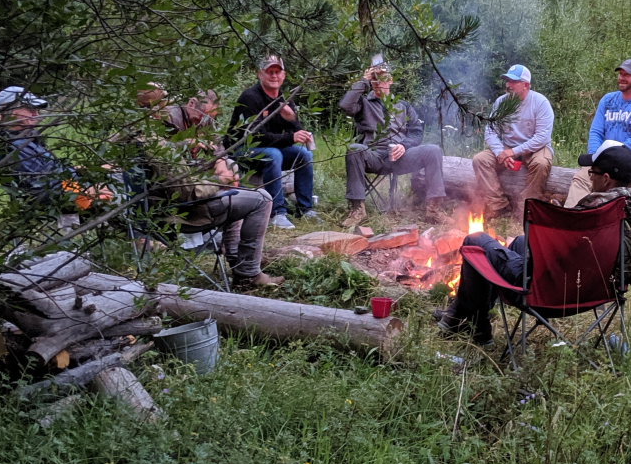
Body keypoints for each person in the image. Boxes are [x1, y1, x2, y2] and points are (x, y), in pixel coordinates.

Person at [438, 143, 631, 345]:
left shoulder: (590, 215)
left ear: (607, 179)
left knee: (475, 241)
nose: (590, 178)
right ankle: (458, 313)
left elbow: (557, 256)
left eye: (593, 173)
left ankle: (478, 327)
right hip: (601, 292)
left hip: (545, 294)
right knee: (521, 243)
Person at [142, 91, 282, 288]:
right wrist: (218, 180)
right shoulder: (164, 131)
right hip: (182, 209)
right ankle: (248, 273)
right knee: (262, 199)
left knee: (236, 187)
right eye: (201, 116)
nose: (203, 122)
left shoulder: (198, 123)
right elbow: (185, 190)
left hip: (186, 197)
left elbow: (217, 148)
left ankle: (239, 261)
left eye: (209, 118)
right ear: (191, 102)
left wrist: (221, 163)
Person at [339, 62, 448, 229]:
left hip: (401, 156)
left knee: (433, 150)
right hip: (373, 156)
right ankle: (357, 210)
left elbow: (417, 132)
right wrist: (363, 81)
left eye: (381, 77)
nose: (377, 81)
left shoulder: (402, 106)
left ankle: (434, 210)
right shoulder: (362, 103)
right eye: (373, 78)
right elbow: (345, 106)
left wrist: (404, 145)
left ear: (390, 80)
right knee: (354, 150)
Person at [0, 86, 113, 224]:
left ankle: (132, 237)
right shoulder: (14, 146)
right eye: (30, 109)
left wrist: (84, 170)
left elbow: (50, 172)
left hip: (69, 192)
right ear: (9, 110)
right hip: (63, 202)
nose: (36, 115)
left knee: (117, 172)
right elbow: (42, 189)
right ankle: (136, 239)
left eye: (36, 110)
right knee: (123, 185)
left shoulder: (23, 139)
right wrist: (85, 190)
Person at [223, 53, 316, 230]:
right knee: (273, 155)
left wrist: (292, 119)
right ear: (260, 74)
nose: (273, 76)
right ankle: (277, 213)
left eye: (277, 72)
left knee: (303, 154)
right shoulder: (250, 97)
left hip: (270, 149)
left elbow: (295, 131)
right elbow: (255, 137)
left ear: (283, 76)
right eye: (269, 72)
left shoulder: (284, 99)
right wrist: (290, 137)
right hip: (242, 150)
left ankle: (305, 209)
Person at [564, 59, 631, 207]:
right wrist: (595, 156)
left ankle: (596, 223)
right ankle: (572, 219)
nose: (621, 78)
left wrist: (605, 158)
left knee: (608, 190)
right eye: (620, 74)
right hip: (603, 159)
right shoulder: (608, 100)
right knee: (582, 179)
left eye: (627, 75)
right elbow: (596, 132)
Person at [472, 64, 555, 220]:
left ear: (526, 85)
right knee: (480, 160)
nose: (508, 85)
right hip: (508, 146)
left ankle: (526, 208)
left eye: (513, 81)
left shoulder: (540, 103)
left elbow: (542, 137)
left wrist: (513, 152)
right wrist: (500, 152)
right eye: (507, 81)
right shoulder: (501, 102)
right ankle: (499, 205)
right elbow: (490, 132)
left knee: (541, 164)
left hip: (535, 147)